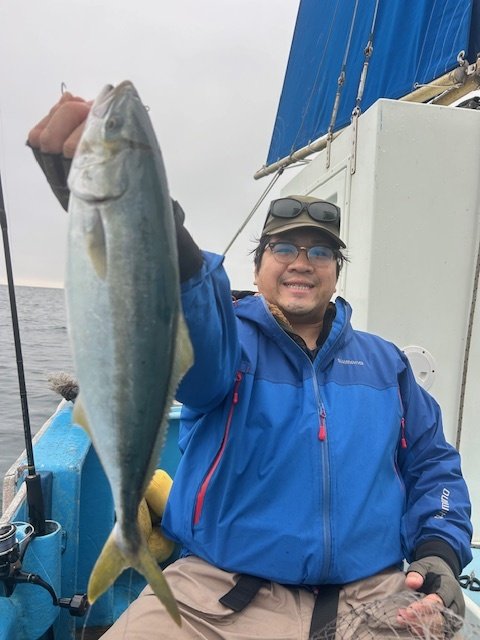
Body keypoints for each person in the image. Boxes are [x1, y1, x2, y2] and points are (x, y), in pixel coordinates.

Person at [28, 91, 473, 640]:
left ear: (336, 271)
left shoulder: (388, 365)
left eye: (320, 252)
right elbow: (187, 345)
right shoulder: (229, 343)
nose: (302, 263)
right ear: (258, 266)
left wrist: (439, 553)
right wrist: (140, 215)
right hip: (215, 594)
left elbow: (433, 466)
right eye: (284, 249)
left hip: (375, 594)